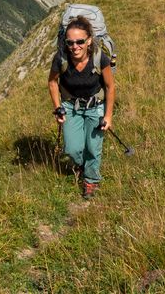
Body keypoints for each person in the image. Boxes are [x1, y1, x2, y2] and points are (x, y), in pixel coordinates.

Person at [48, 15, 116, 199]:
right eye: (70, 42)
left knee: (93, 148)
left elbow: (110, 86)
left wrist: (108, 116)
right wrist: (58, 108)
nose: (75, 46)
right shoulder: (61, 58)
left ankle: (91, 180)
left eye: (80, 42)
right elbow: (52, 82)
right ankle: (82, 165)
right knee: (71, 150)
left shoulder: (100, 58)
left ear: (89, 41)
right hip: (71, 107)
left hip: (96, 107)